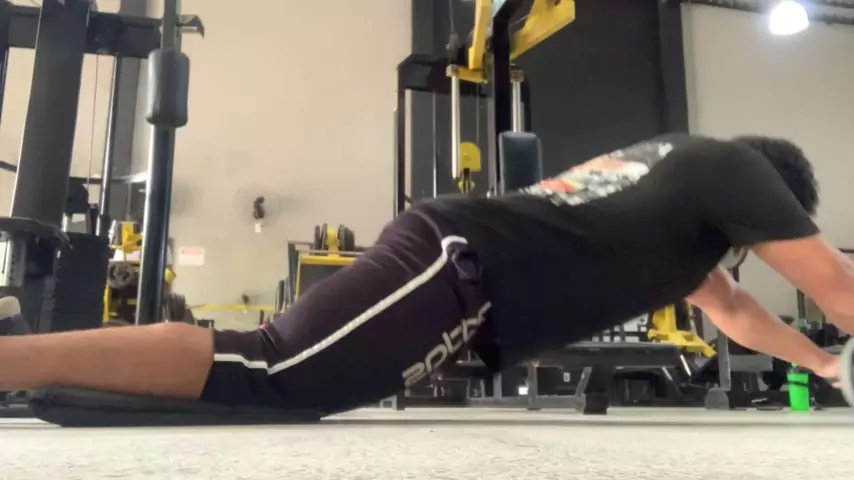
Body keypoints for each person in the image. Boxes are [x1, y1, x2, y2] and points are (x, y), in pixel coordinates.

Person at [0, 133, 850, 415]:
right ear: (778, 198)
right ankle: (11, 359)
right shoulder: (734, 170)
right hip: (458, 267)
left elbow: (734, 311)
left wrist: (826, 365)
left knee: (269, 378)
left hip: (459, 275)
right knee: (267, 366)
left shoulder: (677, 199)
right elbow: (835, 286)